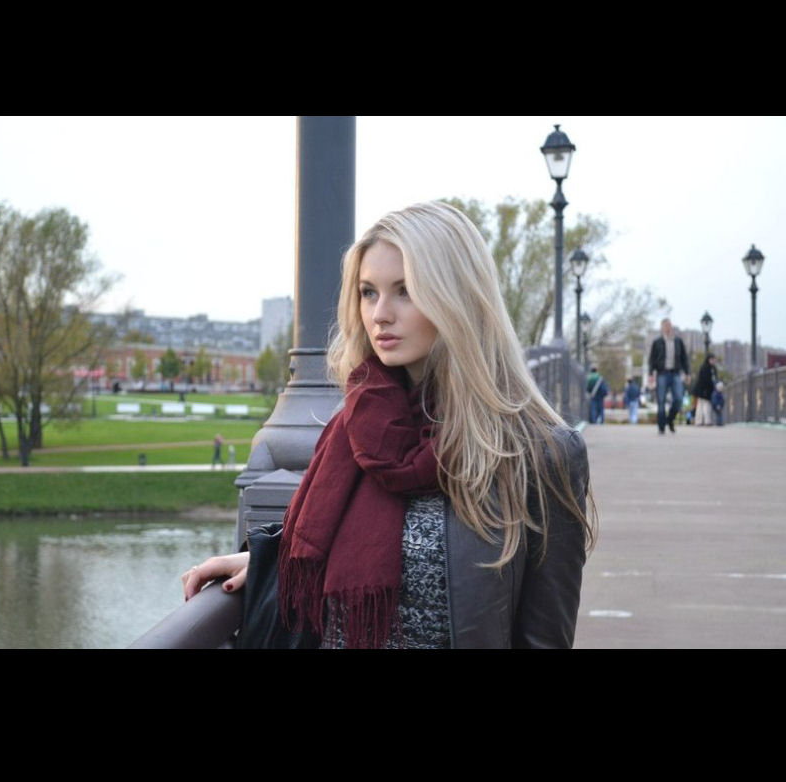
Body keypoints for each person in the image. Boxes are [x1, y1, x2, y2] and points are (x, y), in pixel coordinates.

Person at [182, 201, 595, 649]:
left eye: (405, 291)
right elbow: (326, 537)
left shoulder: (539, 454)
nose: (380, 313)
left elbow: (544, 638)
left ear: (458, 299)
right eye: (368, 292)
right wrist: (269, 562)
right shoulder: (354, 429)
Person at [648, 318, 691, 435]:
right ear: (662, 328)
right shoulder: (657, 342)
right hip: (662, 373)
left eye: (669, 325)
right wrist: (650, 374)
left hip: (675, 373)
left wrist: (687, 373)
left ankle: (670, 419)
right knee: (661, 401)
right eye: (665, 326)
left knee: (679, 399)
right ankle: (661, 427)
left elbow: (684, 358)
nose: (667, 328)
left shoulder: (678, 341)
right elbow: (651, 360)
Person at [693, 354, 717, 426]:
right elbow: (704, 380)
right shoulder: (705, 368)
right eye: (712, 359)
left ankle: (703, 421)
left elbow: (715, 379)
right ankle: (703, 421)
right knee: (704, 405)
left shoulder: (713, 368)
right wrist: (705, 390)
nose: (713, 361)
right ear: (708, 360)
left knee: (704, 405)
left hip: (708, 390)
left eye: (714, 359)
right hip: (703, 390)